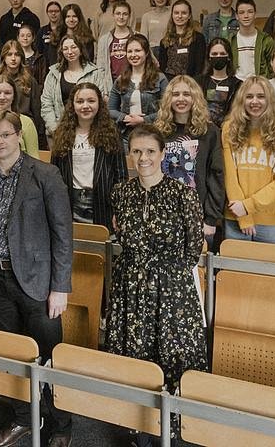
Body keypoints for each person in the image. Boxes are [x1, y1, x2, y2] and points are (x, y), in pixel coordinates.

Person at [0, 110, 74, 447]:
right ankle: (25, 418)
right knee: (9, 355)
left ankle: (61, 422)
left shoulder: (45, 174)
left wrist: (60, 287)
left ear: (19, 136)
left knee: (48, 354)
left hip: (39, 283)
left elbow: (63, 234)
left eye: (5, 135)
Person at [105, 124, 206, 429]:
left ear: (162, 154)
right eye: (136, 151)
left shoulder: (182, 193)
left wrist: (164, 273)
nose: (143, 157)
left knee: (171, 357)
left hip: (171, 290)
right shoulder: (121, 191)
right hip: (130, 286)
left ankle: (173, 427)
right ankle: (138, 425)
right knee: (134, 357)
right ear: (129, 155)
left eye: (150, 151)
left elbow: (193, 248)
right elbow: (121, 234)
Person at [222, 76, 275, 244]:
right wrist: (243, 215)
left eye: (261, 96)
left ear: (270, 100)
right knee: (235, 270)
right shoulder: (229, 129)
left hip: (272, 220)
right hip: (235, 216)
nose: (254, 101)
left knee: (269, 270)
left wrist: (248, 206)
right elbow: (229, 176)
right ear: (241, 100)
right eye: (249, 96)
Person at [154, 76, 224, 250]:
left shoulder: (210, 132)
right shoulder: (158, 132)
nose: (181, 99)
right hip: (163, 217)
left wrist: (210, 218)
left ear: (195, 98)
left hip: (197, 218)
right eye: (176, 94)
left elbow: (216, 175)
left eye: (187, 94)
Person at [50, 83, 127, 230]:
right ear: (72, 105)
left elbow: (121, 176)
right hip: (70, 202)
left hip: (102, 202)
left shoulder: (111, 132)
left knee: (99, 246)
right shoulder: (62, 133)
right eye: (80, 101)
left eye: (91, 101)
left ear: (99, 103)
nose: (85, 106)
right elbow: (54, 174)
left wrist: (119, 208)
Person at [41, 35, 112, 137]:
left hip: (89, 132)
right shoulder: (53, 74)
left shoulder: (95, 73)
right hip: (58, 131)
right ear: (61, 52)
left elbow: (100, 103)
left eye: (74, 47)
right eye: (65, 49)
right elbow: (46, 103)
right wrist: (55, 129)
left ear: (81, 49)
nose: (70, 52)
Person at [0, 40, 44, 147]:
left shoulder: (29, 81)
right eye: (9, 54)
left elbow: (37, 111)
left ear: (22, 57)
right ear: (3, 57)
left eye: (17, 54)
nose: (13, 58)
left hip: (23, 128)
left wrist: (39, 134)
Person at [108, 34, 167, 143]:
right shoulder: (120, 80)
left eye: (138, 51)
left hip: (153, 135)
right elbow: (110, 109)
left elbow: (167, 110)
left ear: (147, 52)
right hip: (126, 137)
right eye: (130, 51)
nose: (133, 55)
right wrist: (125, 117)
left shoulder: (160, 78)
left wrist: (144, 120)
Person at [196, 37, 241, 127]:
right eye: (214, 54)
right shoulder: (198, 82)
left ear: (228, 57)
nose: (218, 56)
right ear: (209, 57)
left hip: (228, 129)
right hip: (202, 128)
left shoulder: (237, 84)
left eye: (222, 54)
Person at [157, 0, 206, 80]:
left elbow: (199, 67)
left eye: (184, 13)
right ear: (172, 15)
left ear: (189, 15)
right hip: (169, 83)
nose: (179, 16)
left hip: (190, 82)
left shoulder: (198, 38)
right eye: (176, 13)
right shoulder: (165, 40)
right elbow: (162, 67)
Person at [230, 0, 275, 80]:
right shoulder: (231, 40)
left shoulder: (266, 40)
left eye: (250, 12)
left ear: (255, 14)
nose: (246, 16)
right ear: (236, 16)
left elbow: (273, 68)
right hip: (237, 86)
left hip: (260, 85)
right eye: (241, 12)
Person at [95, 0, 134, 79]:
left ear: (129, 16)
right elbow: (100, 67)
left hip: (133, 82)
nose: (121, 17)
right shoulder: (104, 40)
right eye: (118, 13)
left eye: (125, 14)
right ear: (113, 15)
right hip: (111, 83)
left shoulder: (137, 37)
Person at [18, 23, 48, 89]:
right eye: (22, 36)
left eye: (28, 36)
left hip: (35, 93)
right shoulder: (15, 56)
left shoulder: (40, 58)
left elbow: (42, 81)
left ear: (33, 38)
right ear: (18, 38)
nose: (25, 38)